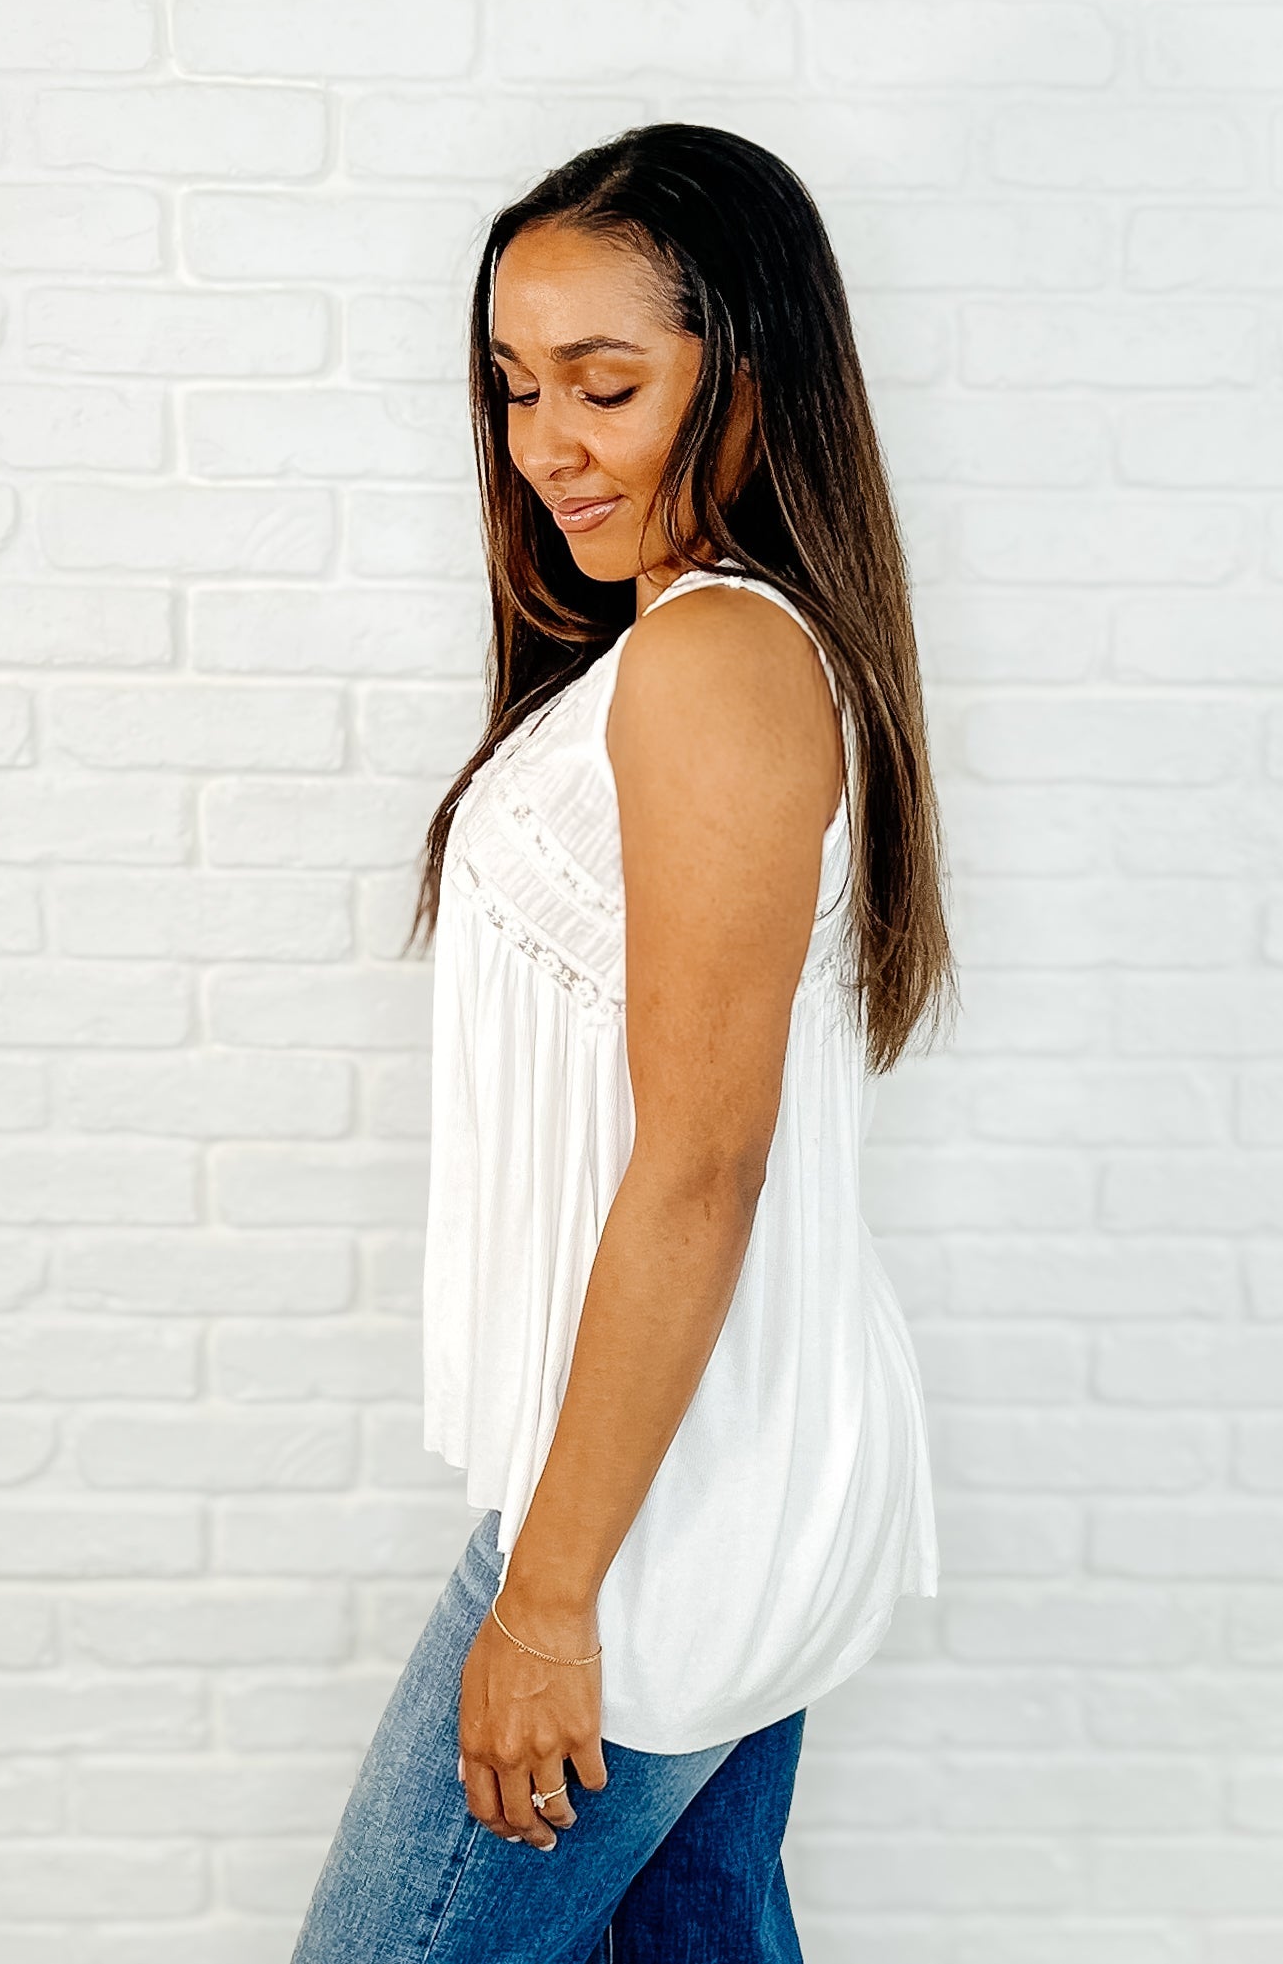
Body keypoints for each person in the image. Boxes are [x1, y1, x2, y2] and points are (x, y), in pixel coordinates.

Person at [290, 122, 958, 1964]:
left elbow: (700, 1162)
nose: (544, 445)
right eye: (516, 386)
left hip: (664, 1506)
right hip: (710, 1456)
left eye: (606, 385)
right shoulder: (704, 645)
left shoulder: (713, 658)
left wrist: (549, 1595)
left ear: (754, 374)